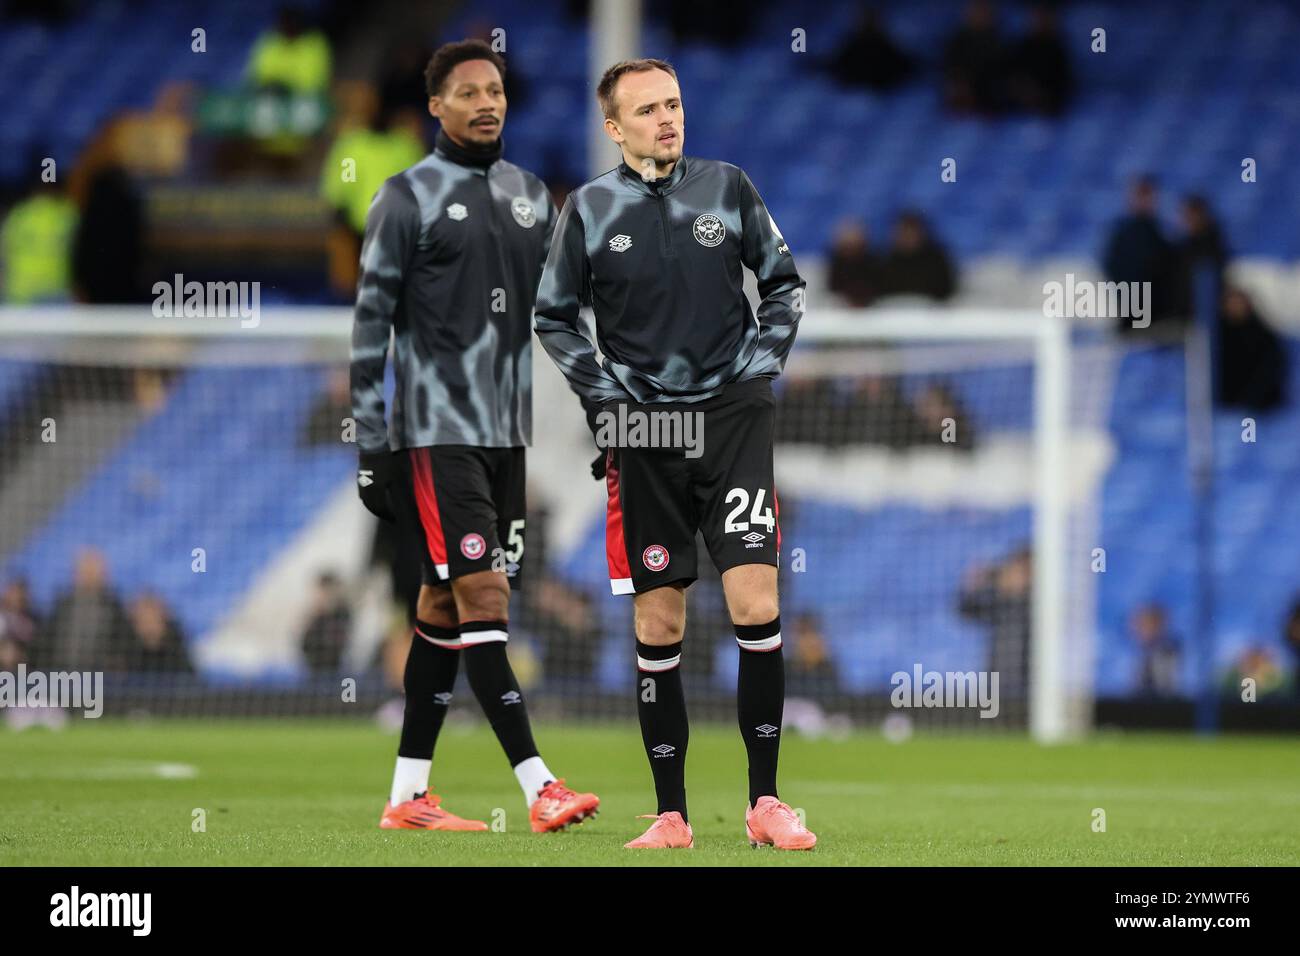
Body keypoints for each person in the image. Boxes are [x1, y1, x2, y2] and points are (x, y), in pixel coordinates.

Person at [535, 58, 816, 850]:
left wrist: (758, 375)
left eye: (675, 104)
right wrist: (605, 399)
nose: (668, 118)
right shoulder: (589, 209)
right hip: (645, 432)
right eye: (648, 109)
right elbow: (553, 317)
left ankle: (766, 804)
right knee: (660, 619)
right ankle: (672, 817)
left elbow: (785, 286)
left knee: (756, 604)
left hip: (730, 421)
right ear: (613, 127)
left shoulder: (727, 187)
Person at [350, 39, 598, 833]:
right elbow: (368, 326)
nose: (487, 102)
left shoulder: (531, 195)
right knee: (484, 595)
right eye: (468, 91)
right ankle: (539, 786)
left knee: (442, 607)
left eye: (495, 89)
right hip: (435, 432)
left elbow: (558, 311)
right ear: (436, 106)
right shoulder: (404, 197)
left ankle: (406, 798)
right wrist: (371, 442)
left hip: (506, 434)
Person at [1102, 176, 1176, 331]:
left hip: (1161, 314)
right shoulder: (1123, 234)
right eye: (1140, 195)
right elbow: (1112, 266)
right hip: (1130, 311)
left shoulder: (1162, 233)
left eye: (1148, 195)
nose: (1145, 201)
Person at [42, 549, 133, 672]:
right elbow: (47, 641)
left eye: (93, 572)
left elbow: (122, 644)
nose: (89, 577)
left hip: (98, 678)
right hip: (61, 675)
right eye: (85, 571)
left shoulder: (114, 608)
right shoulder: (63, 605)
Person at [958, 547, 1031, 699]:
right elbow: (966, 610)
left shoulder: (1039, 606)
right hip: (998, 678)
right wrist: (974, 585)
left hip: (1029, 680)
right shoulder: (1000, 601)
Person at [1218, 287, 1286, 412]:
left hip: (1261, 408)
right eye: (1231, 303)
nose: (1235, 308)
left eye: (1238, 303)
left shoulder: (1263, 335)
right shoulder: (1216, 336)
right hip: (1225, 406)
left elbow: (1272, 367)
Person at [828, 7, 915, 93]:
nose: (869, 23)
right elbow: (837, 67)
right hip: (856, 94)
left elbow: (904, 67)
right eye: (865, 19)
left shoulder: (887, 47)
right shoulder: (851, 46)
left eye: (872, 19)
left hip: (885, 95)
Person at [878, 210, 957, 302]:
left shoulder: (937, 261)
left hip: (929, 313)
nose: (908, 236)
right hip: (891, 314)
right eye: (904, 231)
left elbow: (946, 292)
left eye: (911, 231)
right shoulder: (885, 260)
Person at [126, 592, 193, 675]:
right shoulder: (126, 655)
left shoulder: (178, 652)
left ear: (163, 619)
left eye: (152, 620)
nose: (149, 626)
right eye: (144, 620)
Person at [299, 572, 350, 675]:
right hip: (315, 674)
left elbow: (340, 647)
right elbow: (304, 645)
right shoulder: (316, 618)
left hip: (336, 674)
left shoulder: (342, 615)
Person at [827, 219, 882, 308]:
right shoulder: (836, 264)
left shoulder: (873, 263)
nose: (851, 242)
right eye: (847, 242)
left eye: (854, 239)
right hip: (842, 311)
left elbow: (877, 289)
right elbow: (833, 291)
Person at [1128, 603, 1179, 697]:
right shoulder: (1144, 653)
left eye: (1144, 625)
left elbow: (1165, 691)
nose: (1137, 629)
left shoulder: (1165, 652)